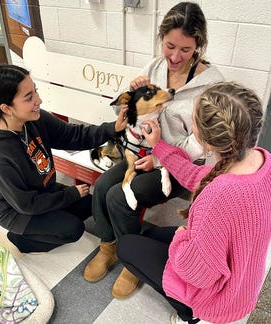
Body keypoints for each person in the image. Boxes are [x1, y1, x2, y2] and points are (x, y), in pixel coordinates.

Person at [83, 1, 224, 298]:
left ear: (199, 45)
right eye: (169, 46)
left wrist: (161, 157)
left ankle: (132, 261)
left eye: (185, 50)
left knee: (119, 197)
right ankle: (108, 246)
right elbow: (129, 112)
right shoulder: (154, 67)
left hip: (177, 168)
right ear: (161, 38)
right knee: (103, 186)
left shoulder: (212, 86)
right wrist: (131, 90)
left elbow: (202, 143)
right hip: (142, 153)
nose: (175, 57)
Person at [116, 81, 271, 324]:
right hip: (243, 278)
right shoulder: (262, 160)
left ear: (207, 142)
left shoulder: (220, 195)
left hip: (221, 299)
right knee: (151, 236)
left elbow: (198, 273)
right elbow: (194, 175)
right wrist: (158, 146)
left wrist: (181, 237)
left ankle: (191, 314)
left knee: (125, 246)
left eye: (194, 120)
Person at [0, 64, 128, 253]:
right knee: (73, 229)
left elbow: (75, 135)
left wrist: (113, 128)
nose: (38, 100)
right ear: (6, 108)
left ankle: (51, 217)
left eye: (35, 91)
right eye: (29, 97)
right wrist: (69, 195)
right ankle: (20, 239)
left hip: (43, 191)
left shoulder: (34, 119)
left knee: (89, 203)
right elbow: (26, 204)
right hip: (16, 210)